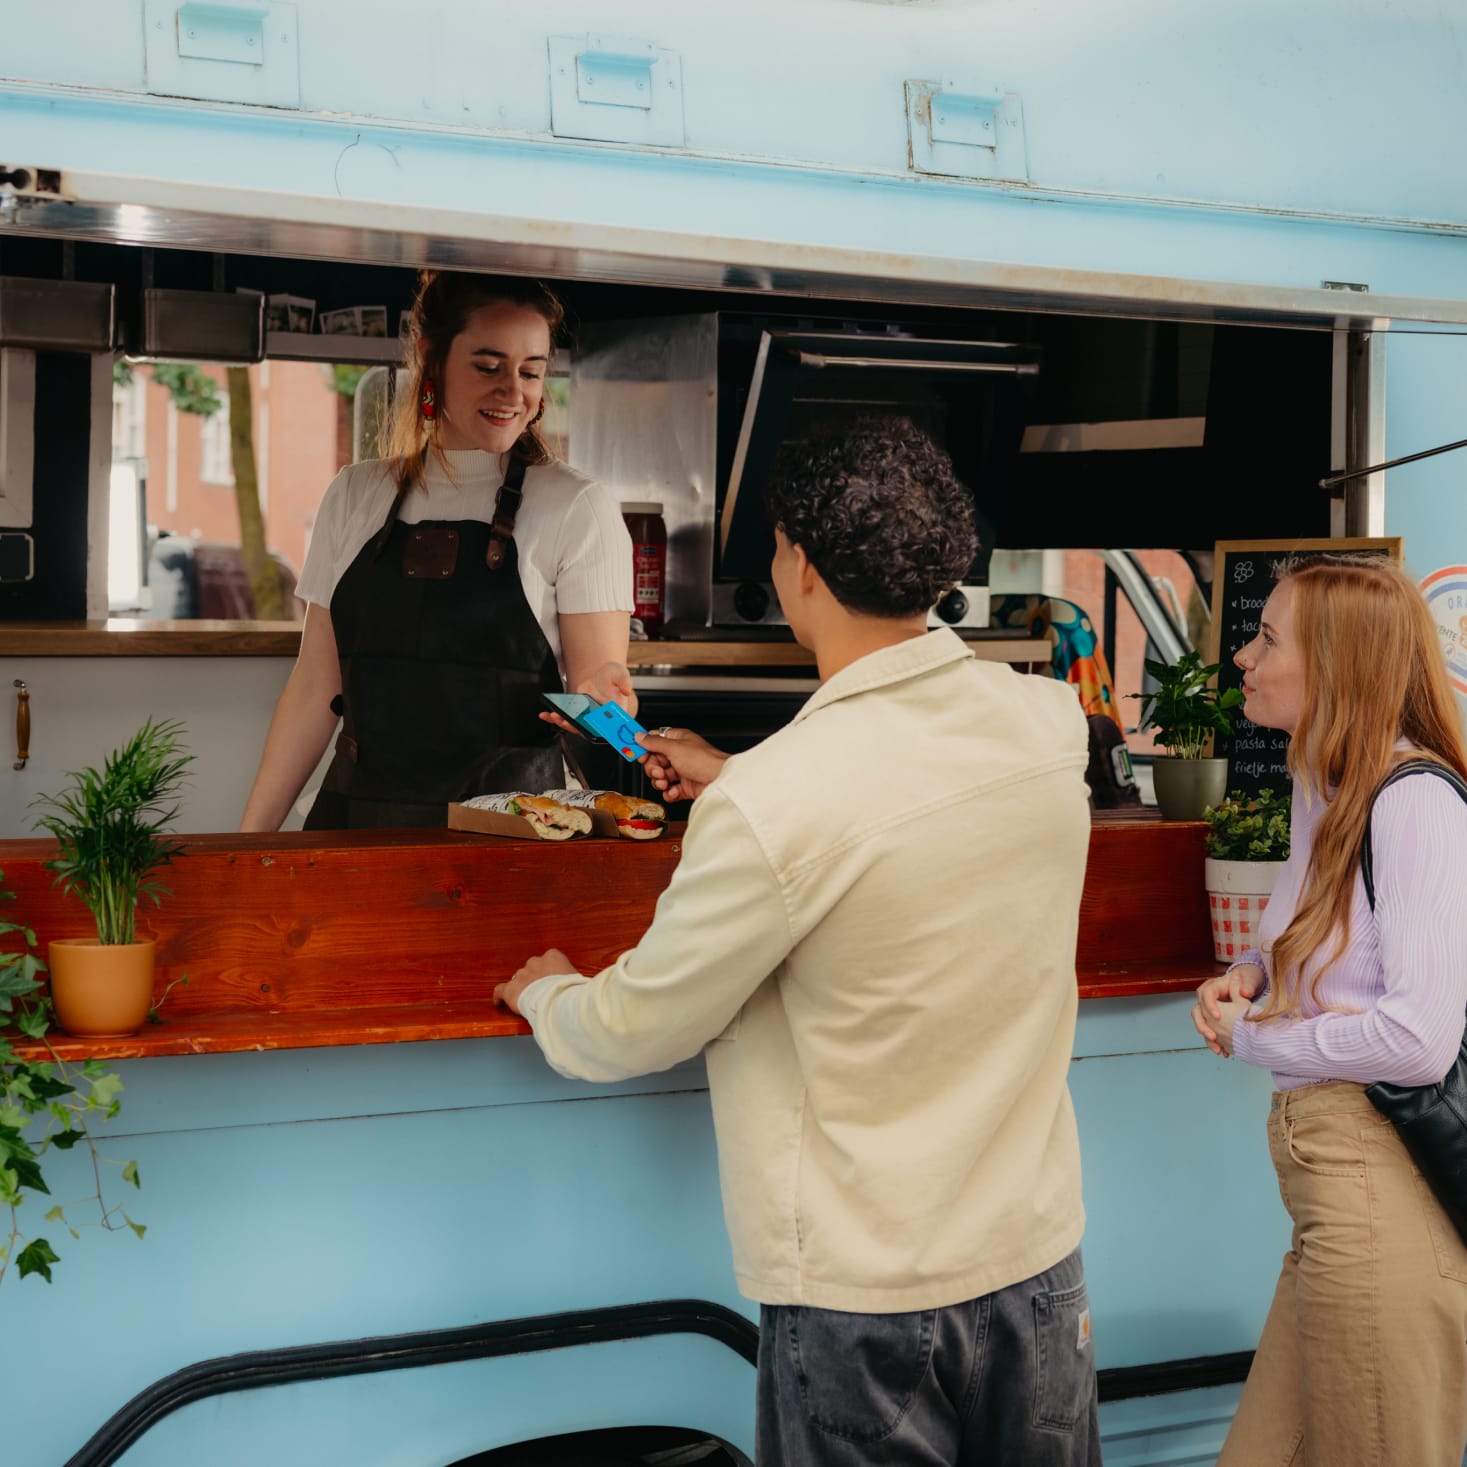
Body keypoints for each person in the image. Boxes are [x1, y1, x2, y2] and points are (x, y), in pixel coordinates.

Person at [496, 417, 1102, 1466]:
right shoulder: (1046, 727)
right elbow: (910, 794)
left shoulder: (784, 802)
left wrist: (547, 994)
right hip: (1038, 1264)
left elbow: (637, 1026)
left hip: (863, 1300)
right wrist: (741, 777)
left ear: (802, 568)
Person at [1192, 554, 1467, 1467]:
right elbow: (1315, 951)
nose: (1242, 656)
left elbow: (1418, 1039)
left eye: (1267, 638)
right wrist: (1249, 976)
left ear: (1336, 664)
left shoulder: (1414, 799)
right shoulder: (1326, 785)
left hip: (1372, 1184)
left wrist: (1260, 1037)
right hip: (1326, 1191)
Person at [241, 271, 635, 830]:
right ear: (431, 358)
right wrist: (248, 843)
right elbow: (314, 687)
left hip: (511, 840)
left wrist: (608, 711)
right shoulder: (356, 493)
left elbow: (603, 703)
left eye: (531, 371)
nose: (513, 391)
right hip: (357, 825)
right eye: (487, 366)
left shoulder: (578, 507)